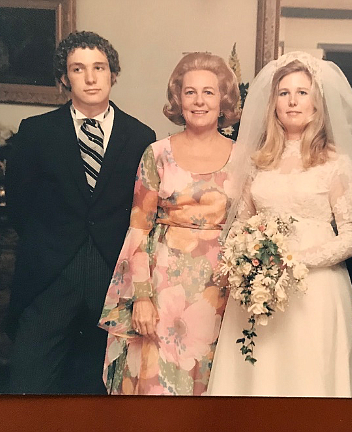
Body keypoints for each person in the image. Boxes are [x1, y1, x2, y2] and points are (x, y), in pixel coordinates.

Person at [207, 51, 352, 397]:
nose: (292, 101)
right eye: (284, 93)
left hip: (316, 292)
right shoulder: (258, 161)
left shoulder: (336, 162)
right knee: (258, 381)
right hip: (258, 290)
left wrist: (293, 262)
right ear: (274, 104)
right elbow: (241, 223)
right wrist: (244, 260)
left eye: (302, 91)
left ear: (317, 103)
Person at [5, 31, 156, 394]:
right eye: (78, 68)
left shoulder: (140, 137)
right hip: (50, 276)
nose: (90, 78)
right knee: (29, 384)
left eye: (99, 68)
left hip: (111, 275)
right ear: (64, 77)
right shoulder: (35, 132)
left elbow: (144, 213)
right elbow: (18, 207)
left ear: (112, 74)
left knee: (99, 389)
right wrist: (50, 249)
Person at [98, 52, 240, 395]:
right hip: (163, 292)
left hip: (220, 295)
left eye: (208, 92)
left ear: (223, 100)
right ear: (178, 100)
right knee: (155, 390)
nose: (199, 101)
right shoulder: (157, 154)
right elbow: (139, 229)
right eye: (190, 92)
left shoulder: (244, 156)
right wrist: (142, 297)